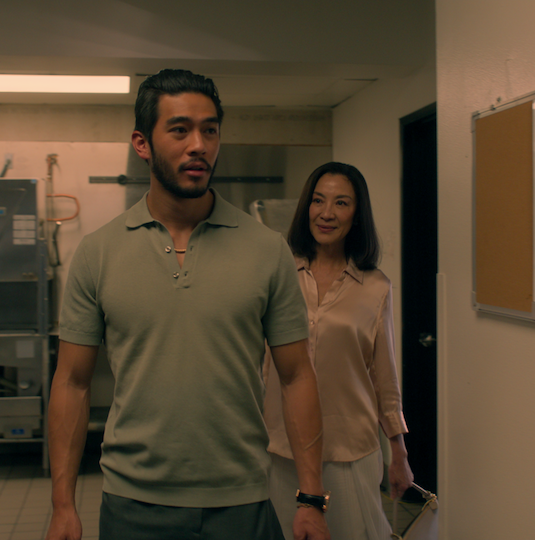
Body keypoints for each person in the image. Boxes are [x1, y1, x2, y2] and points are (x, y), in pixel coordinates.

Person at [46, 69, 331, 540]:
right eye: (180, 130)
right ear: (142, 144)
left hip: (240, 501)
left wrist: (310, 497)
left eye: (210, 130)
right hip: (133, 504)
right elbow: (73, 383)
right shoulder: (98, 253)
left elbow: (297, 374)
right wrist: (63, 506)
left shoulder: (266, 249)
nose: (198, 144)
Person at [263, 162, 414, 539]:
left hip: (349, 449)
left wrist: (399, 453)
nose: (327, 213)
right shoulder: (279, 274)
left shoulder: (376, 287)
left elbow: (384, 377)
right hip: (282, 448)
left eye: (341, 203)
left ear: (357, 214)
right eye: (318, 200)